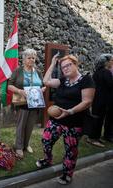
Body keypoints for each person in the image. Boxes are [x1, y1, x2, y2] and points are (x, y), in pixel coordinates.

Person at [38, 54, 95, 185]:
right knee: (46, 140)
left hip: (74, 123)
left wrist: (69, 112)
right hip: (56, 120)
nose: (66, 68)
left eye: (69, 65)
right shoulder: (63, 81)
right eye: (63, 67)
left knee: (70, 149)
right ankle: (47, 160)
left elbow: (87, 102)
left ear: (76, 64)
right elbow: (46, 81)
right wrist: (52, 64)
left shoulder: (86, 80)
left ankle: (67, 174)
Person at [8, 48, 45, 158]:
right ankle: (18, 147)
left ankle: (26, 144)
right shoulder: (18, 71)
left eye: (33, 58)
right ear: (24, 59)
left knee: (30, 126)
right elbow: (10, 85)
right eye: (29, 58)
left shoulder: (38, 72)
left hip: (35, 103)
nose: (32, 60)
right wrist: (19, 91)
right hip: (22, 103)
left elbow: (43, 85)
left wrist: (42, 89)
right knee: (21, 125)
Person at [87, 54, 113, 146]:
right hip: (103, 100)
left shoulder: (97, 72)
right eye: (111, 60)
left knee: (97, 118)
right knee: (98, 119)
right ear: (106, 61)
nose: (112, 62)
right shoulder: (106, 72)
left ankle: (95, 137)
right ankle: (93, 138)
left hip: (97, 99)